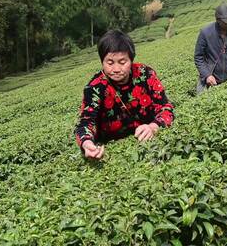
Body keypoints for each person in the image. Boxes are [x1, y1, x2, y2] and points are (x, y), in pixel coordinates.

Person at [74, 30, 174, 160]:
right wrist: (87, 144)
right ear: (102, 61)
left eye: (122, 62)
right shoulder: (95, 88)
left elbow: (165, 108)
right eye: (109, 63)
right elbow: (85, 123)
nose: (116, 69)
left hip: (147, 140)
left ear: (131, 59)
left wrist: (153, 126)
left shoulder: (145, 74)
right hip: (112, 149)